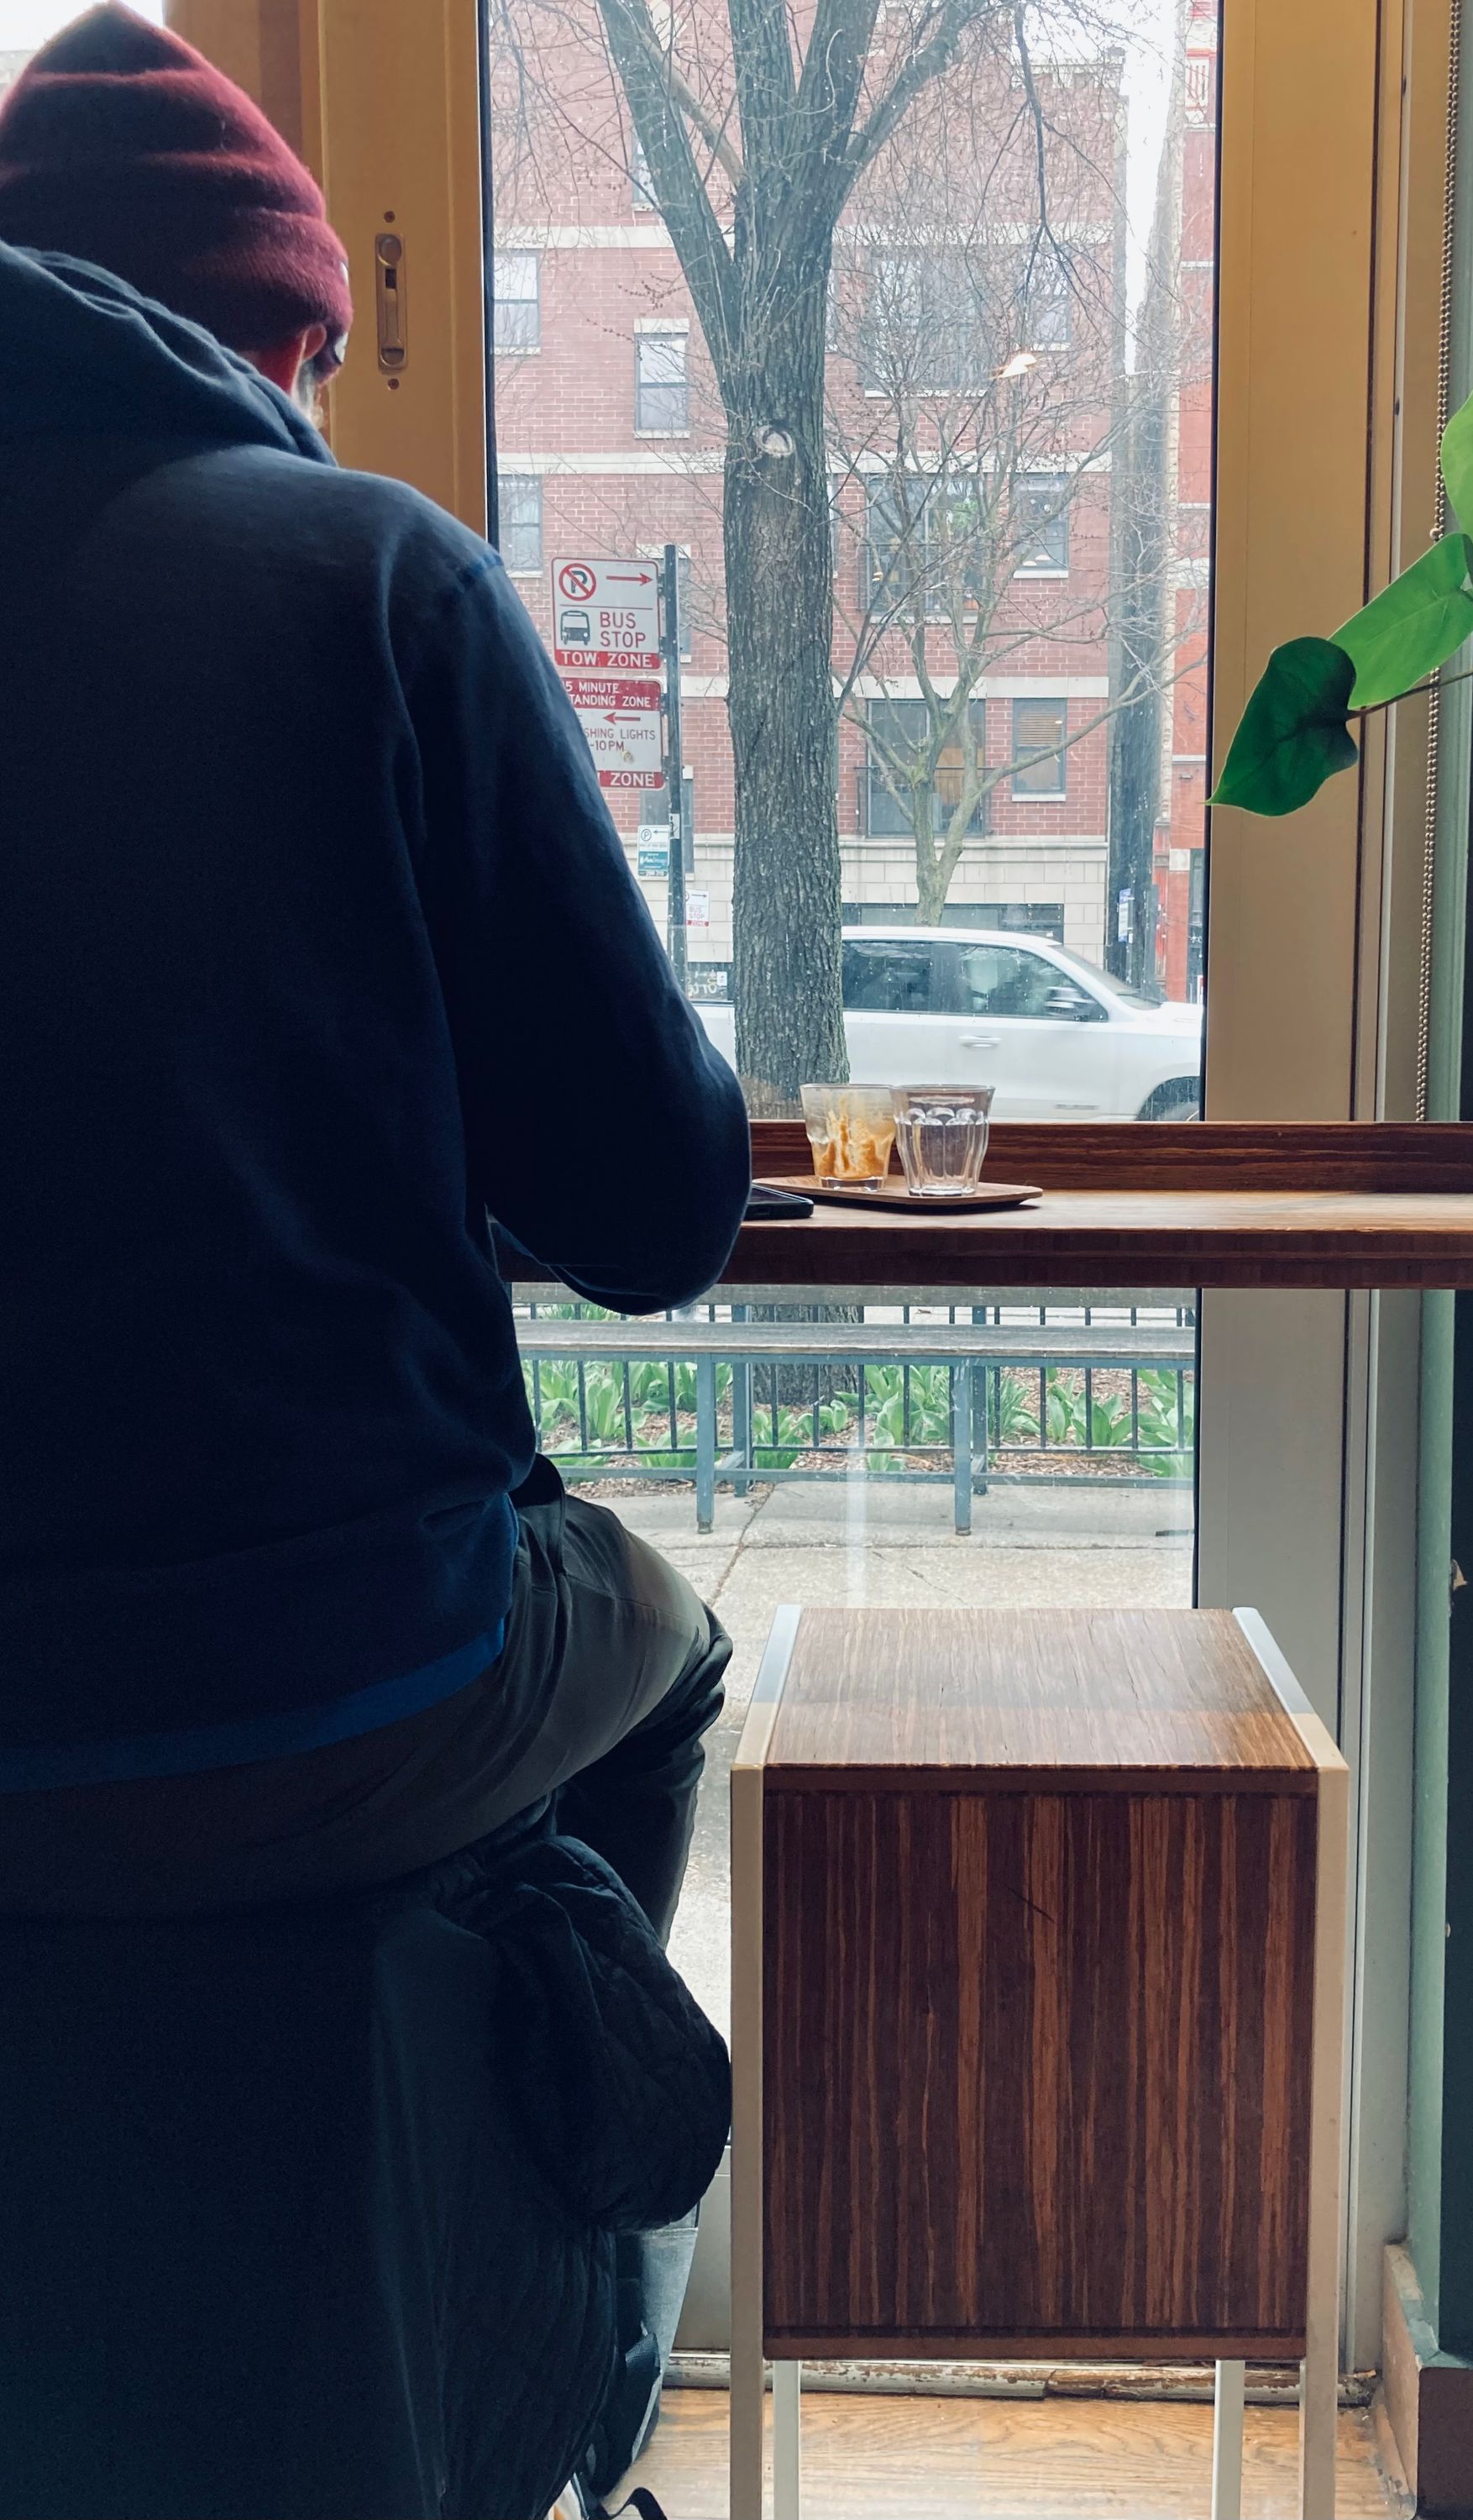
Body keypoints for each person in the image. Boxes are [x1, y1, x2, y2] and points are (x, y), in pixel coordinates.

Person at [0, 6, 747, 1980]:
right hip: (321, 1675)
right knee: (656, 1639)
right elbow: (660, 1218)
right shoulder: (379, 580)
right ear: (269, 333)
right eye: (324, 358)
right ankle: (563, 2253)